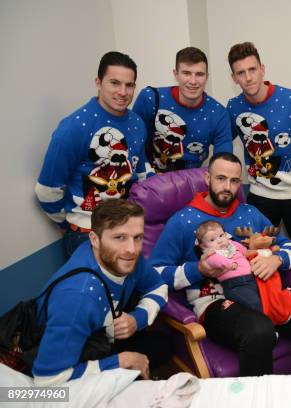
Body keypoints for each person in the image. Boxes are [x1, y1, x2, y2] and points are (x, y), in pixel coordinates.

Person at [150, 152, 291, 376]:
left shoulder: (251, 214)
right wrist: (198, 270)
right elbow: (155, 274)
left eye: (235, 181)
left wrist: (277, 259)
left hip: (266, 290)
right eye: (221, 178)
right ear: (207, 179)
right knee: (259, 331)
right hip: (216, 300)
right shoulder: (182, 221)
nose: (227, 186)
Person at [32, 200, 170, 386]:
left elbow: (158, 286)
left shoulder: (126, 258)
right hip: (70, 357)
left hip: (101, 338)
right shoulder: (77, 297)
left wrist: (138, 318)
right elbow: (46, 382)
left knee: (164, 345)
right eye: (119, 237)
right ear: (94, 240)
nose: (132, 249)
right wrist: (120, 362)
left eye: (137, 237)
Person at [35, 51, 151, 256]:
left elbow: (140, 176)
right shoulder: (74, 127)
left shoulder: (137, 123)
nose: (123, 92)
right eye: (115, 83)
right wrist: (70, 222)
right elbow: (47, 190)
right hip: (87, 232)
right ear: (98, 82)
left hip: (127, 228)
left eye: (129, 85)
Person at [226, 42, 291, 272]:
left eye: (252, 70)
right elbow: (222, 142)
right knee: (258, 253)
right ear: (234, 78)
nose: (248, 77)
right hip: (261, 195)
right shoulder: (233, 107)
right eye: (241, 73)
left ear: (262, 69)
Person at [133, 46, 233, 173]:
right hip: (148, 183)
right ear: (176, 74)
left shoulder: (219, 114)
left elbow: (223, 166)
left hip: (191, 185)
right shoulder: (150, 99)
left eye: (199, 74)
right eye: (186, 73)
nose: (193, 81)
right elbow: (134, 144)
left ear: (207, 76)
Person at [194, 220, 291, 325]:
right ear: (204, 247)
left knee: (265, 298)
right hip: (235, 285)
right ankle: (269, 327)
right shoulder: (211, 254)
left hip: (251, 279)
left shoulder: (233, 245)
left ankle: (278, 315)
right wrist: (230, 264)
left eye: (221, 235)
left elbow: (245, 253)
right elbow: (218, 262)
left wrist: (257, 251)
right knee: (254, 304)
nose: (219, 241)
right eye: (212, 239)